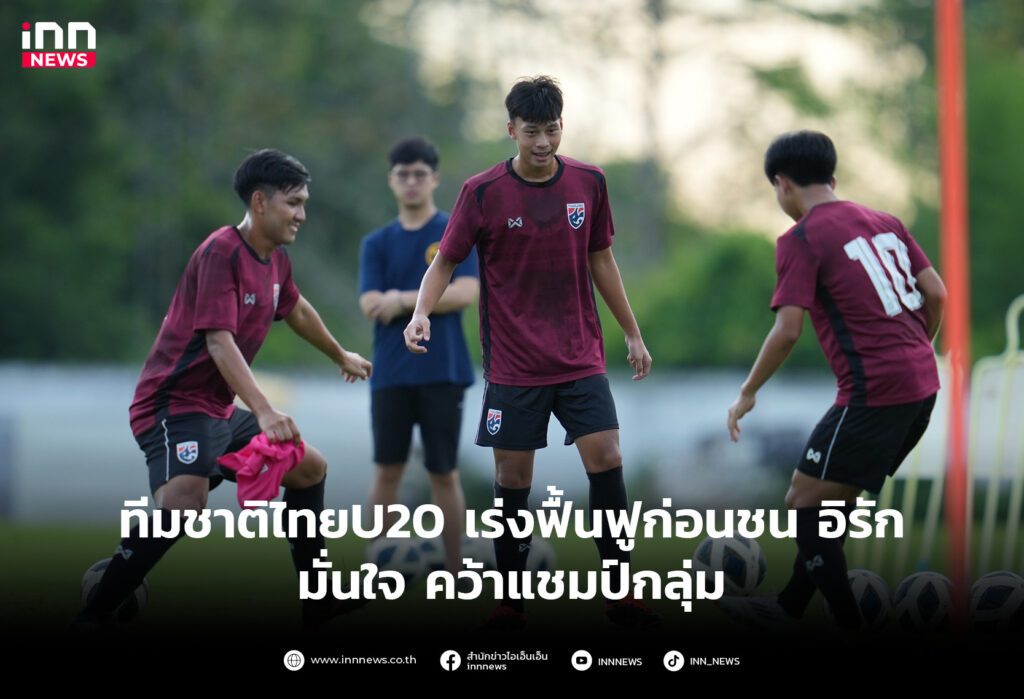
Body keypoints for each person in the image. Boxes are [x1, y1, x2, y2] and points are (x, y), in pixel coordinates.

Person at [74, 149, 373, 628]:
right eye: (294, 203)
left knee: (309, 469)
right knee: (184, 504)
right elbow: (219, 342)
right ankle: (96, 611)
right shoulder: (221, 251)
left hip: (214, 410)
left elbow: (296, 310)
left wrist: (340, 355)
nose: (302, 214)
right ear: (260, 202)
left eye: (304, 203)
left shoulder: (276, 261)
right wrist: (265, 411)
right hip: (171, 405)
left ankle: (319, 600)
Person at [403, 76, 656, 629]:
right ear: (511, 129)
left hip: (579, 354)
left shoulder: (590, 181)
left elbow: (602, 260)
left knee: (607, 456)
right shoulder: (483, 192)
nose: (543, 142)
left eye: (552, 130)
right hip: (514, 363)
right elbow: (445, 262)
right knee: (514, 476)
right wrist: (421, 312)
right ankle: (511, 601)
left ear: (562, 127)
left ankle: (621, 591)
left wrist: (632, 333)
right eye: (532, 131)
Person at [723, 130, 946, 630]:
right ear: (833, 178)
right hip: (922, 386)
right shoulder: (886, 222)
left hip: (874, 392)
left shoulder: (801, 239)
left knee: (802, 502)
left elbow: (787, 330)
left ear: (782, 184)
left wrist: (748, 391)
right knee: (829, 504)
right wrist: (917, 349)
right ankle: (787, 607)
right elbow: (937, 293)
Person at [358, 137, 479, 575]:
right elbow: (369, 303)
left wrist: (402, 300)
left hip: (443, 371)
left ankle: (453, 569)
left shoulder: (454, 232)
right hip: (391, 373)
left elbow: (465, 292)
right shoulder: (377, 243)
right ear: (391, 180)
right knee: (386, 470)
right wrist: (393, 301)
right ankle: (379, 566)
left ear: (435, 179)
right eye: (403, 174)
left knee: (443, 472)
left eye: (420, 174)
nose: (411, 182)